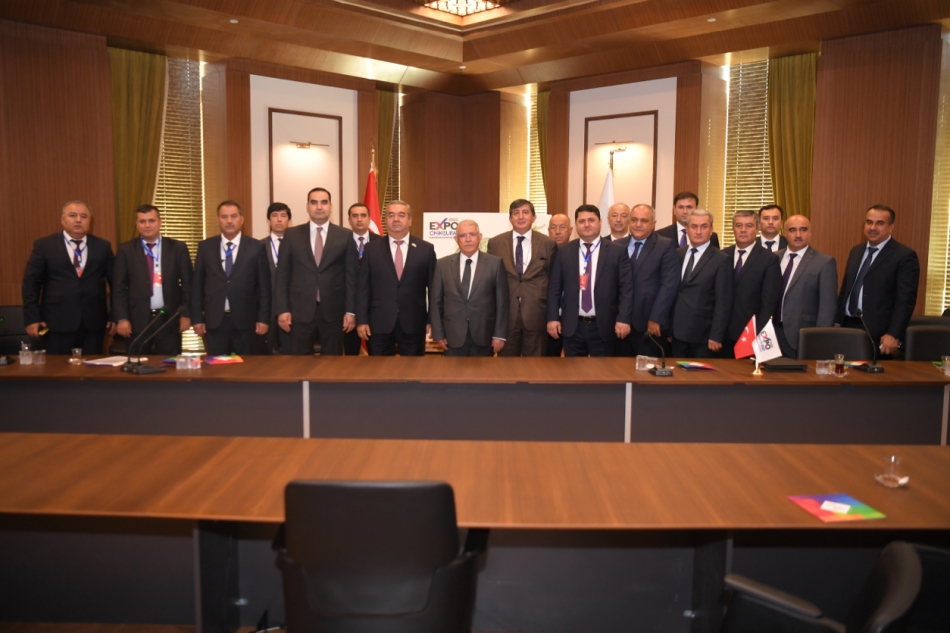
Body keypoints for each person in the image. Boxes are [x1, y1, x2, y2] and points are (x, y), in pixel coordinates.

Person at [22, 200, 115, 355]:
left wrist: (115, 315)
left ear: (90, 221)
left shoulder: (103, 246)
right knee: (58, 367)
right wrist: (32, 318)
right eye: (73, 215)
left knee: (93, 367)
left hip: (94, 322)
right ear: (62, 219)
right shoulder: (44, 246)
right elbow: (31, 284)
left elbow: (115, 283)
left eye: (83, 216)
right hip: (56, 322)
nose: (78, 220)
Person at [274, 188, 358, 356]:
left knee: (332, 365)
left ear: (331, 206)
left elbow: (351, 277)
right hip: (299, 312)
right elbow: (282, 276)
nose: (319, 207)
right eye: (314, 202)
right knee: (300, 364)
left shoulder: (345, 235)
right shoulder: (291, 235)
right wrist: (282, 309)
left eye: (324, 202)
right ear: (307, 206)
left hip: (334, 313)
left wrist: (350, 311)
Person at [546, 204, 632, 357]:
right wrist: (552, 318)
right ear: (576, 225)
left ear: (600, 222)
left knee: (603, 371)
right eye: (581, 221)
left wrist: (623, 318)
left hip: (605, 325)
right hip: (572, 326)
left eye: (591, 220)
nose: (586, 225)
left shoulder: (617, 251)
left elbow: (626, 288)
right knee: (573, 371)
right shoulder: (564, 252)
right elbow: (554, 289)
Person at [835, 204, 920, 357]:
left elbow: (905, 300)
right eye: (869, 222)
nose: (873, 227)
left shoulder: (904, 256)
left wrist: (893, 334)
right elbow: (846, 290)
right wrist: (836, 322)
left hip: (877, 334)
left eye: (880, 223)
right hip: (847, 326)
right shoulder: (856, 251)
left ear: (891, 227)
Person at [357, 201, 436, 356]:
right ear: (386, 220)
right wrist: (362, 320)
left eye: (401, 215)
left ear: (410, 220)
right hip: (378, 323)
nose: (396, 219)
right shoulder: (371, 249)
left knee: (413, 369)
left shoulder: (425, 249)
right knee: (379, 369)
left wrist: (432, 320)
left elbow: (434, 288)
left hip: (414, 322)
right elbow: (363, 288)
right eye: (391, 215)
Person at [192, 200, 271, 355]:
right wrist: (197, 318)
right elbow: (197, 286)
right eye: (224, 217)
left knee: (248, 366)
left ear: (242, 219)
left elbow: (264, 288)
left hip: (247, 321)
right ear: (218, 220)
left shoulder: (257, 247)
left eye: (233, 216)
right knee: (216, 367)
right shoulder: (205, 247)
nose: (229, 221)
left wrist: (263, 319)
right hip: (215, 321)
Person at [113, 204, 193, 356]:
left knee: (170, 365)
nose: (147, 225)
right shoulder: (126, 250)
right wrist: (122, 318)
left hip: (169, 320)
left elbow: (188, 284)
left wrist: (186, 314)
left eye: (151, 220)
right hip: (137, 321)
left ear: (160, 222)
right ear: (136, 224)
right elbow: (119, 287)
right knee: (136, 364)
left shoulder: (177, 248)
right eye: (142, 221)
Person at [487, 199, 557, 356]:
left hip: (537, 315)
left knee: (535, 366)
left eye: (525, 212)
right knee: (507, 366)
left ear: (534, 217)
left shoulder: (548, 244)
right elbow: (490, 283)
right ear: (510, 218)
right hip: (506, 317)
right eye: (516, 213)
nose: (520, 217)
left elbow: (554, 283)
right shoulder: (495, 243)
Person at [430, 220, 509, 356]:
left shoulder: (495, 264)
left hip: (485, 336)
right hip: (452, 337)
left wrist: (499, 335)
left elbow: (502, 303)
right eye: (462, 235)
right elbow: (436, 302)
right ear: (456, 239)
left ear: (480, 237)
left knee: (483, 371)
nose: (468, 239)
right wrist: (438, 333)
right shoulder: (442, 265)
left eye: (472, 235)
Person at [615, 203, 679, 357]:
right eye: (634, 220)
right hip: (618, 324)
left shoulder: (665, 246)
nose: (638, 224)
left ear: (653, 223)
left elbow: (669, 285)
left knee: (647, 370)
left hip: (649, 325)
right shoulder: (617, 246)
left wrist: (656, 318)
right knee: (618, 369)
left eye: (644, 221)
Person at [670, 209, 732, 358]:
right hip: (677, 335)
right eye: (694, 226)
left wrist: (716, 335)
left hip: (704, 337)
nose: (698, 231)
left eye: (704, 227)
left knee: (701, 373)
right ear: (687, 229)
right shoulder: (677, 254)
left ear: (711, 230)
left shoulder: (722, 259)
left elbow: (723, 302)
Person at [773, 215, 837, 358]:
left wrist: (819, 340)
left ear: (810, 232)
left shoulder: (824, 262)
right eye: (792, 230)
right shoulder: (774, 258)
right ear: (785, 233)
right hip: (771, 334)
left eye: (803, 230)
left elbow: (828, 306)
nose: (798, 235)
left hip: (801, 335)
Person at [721, 210, 781, 355]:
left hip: (750, 334)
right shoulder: (722, 255)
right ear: (733, 228)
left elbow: (769, 303)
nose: (743, 230)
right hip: (721, 333)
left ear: (758, 228)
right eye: (739, 225)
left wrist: (757, 334)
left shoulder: (769, 259)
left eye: (749, 226)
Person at [343, 202, 382, 355]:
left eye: (363, 215)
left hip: (374, 309)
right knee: (350, 356)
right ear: (349, 220)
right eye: (355, 216)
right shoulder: (340, 241)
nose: (359, 219)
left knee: (377, 357)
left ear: (369, 219)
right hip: (347, 309)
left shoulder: (381, 243)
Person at [261, 202, 292, 354]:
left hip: (291, 312)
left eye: (283, 216)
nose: (279, 219)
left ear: (289, 221)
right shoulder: (258, 246)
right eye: (274, 216)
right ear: (268, 221)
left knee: (291, 358)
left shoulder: (299, 247)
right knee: (265, 358)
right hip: (267, 312)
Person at [545, 212, 572, 356]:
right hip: (548, 317)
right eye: (553, 228)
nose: (557, 231)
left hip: (572, 318)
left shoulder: (579, 252)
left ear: (571, 230)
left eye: (562, 227)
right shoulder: (541, 253)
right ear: (548, 231)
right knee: (549, 362)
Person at [656, 191, 720, 249]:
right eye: (681, 207)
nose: (685, 211)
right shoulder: (660, 235)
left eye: (689, 207)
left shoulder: (711, 237)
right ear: (674, 210)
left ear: (697, 209)